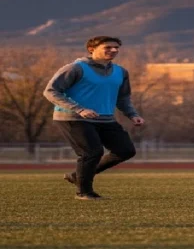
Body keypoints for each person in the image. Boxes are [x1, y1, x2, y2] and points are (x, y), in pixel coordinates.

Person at [43, 36, 144, 200]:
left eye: (116, 48)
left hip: (105, 118)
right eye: (108, 47)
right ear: (91, 49)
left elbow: (123, 98)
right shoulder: (76, 68)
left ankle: (78, 176)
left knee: (125, 150)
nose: (114, 51)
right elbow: (51, 91)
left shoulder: (120, 72)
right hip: (73, 117)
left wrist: (132, 114)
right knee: (91, 152)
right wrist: (79, 109)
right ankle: (84, 192)